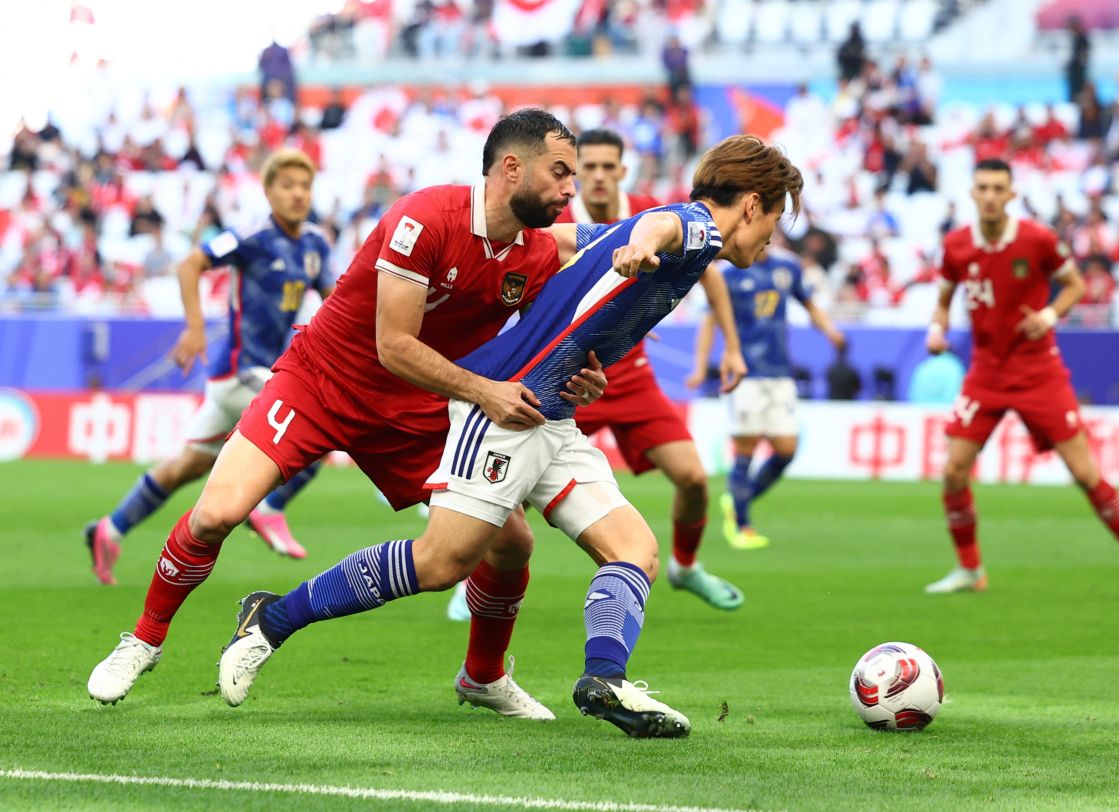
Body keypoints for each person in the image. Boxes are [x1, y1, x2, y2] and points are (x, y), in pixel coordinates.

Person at [216, 135, 805, 738]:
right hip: (503, 410)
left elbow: (584, 263)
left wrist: (591, 359)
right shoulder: (696, 227)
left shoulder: (674, 240)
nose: (770, 236)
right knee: (442, 562)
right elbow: (662, 227)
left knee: (635, 549)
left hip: (553, 415)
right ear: (754, 205)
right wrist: (638, 247)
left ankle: (605, 679)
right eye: (776, 219)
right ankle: (272, 618)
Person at [86, 111, 607, 714]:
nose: (571, 189)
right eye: (560, 172)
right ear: (511, 168)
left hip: (415, 411)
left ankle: (482, 677)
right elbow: (394, 345)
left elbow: (554, 332)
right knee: (215, 514)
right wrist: (485, 392)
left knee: (510, 543)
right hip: (320, 381)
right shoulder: (425, 218)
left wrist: (581, 375)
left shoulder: (536, 253)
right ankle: (144, 640)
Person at [924, 158, 1119, 598]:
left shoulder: (1038, 239)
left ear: (1012, 194)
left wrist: (1049, 314)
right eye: (982, 187)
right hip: (986, 372)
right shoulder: (957, 245)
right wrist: (936, 328)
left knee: (1084, 472)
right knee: (954, 471)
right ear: (972, 193)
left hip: (1039, 370)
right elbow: (944, 297)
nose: (989, 196)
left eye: (998, 188)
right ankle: (969, 570)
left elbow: (1075, 284)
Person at [84, 149, 334, 585]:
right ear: (268, 190)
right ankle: (270, 508)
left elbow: (334, 300)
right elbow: (190, 264)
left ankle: (110, 528)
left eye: (305, 186)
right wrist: (195, 327)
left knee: (187, 466)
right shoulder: (250, 236)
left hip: (247, 379)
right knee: (321, 421)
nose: (297, 194)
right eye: (287, 185)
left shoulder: (314, 243)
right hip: (242, 370)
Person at [543, 128, 748, 611]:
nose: (594, 177)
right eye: (584, 167)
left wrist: (732, 348)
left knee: (694, 479)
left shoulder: (650, 208)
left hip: (630, 374)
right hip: (571, 375)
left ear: (620, 170)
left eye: (604, 167)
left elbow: (709, 271)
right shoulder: (554, 213)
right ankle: (476, 581)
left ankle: (686, 565)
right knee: (509, 491)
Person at [692, 241, 844, 549]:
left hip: (779, 371)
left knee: (786, 449)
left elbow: (810, 305)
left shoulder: (786, 268)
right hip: (745, 372)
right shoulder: (726, 273)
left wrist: (830, 331)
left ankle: (737, 498)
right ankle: (742, 525)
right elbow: (709, 322)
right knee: (746, 447)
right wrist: (700, 366)